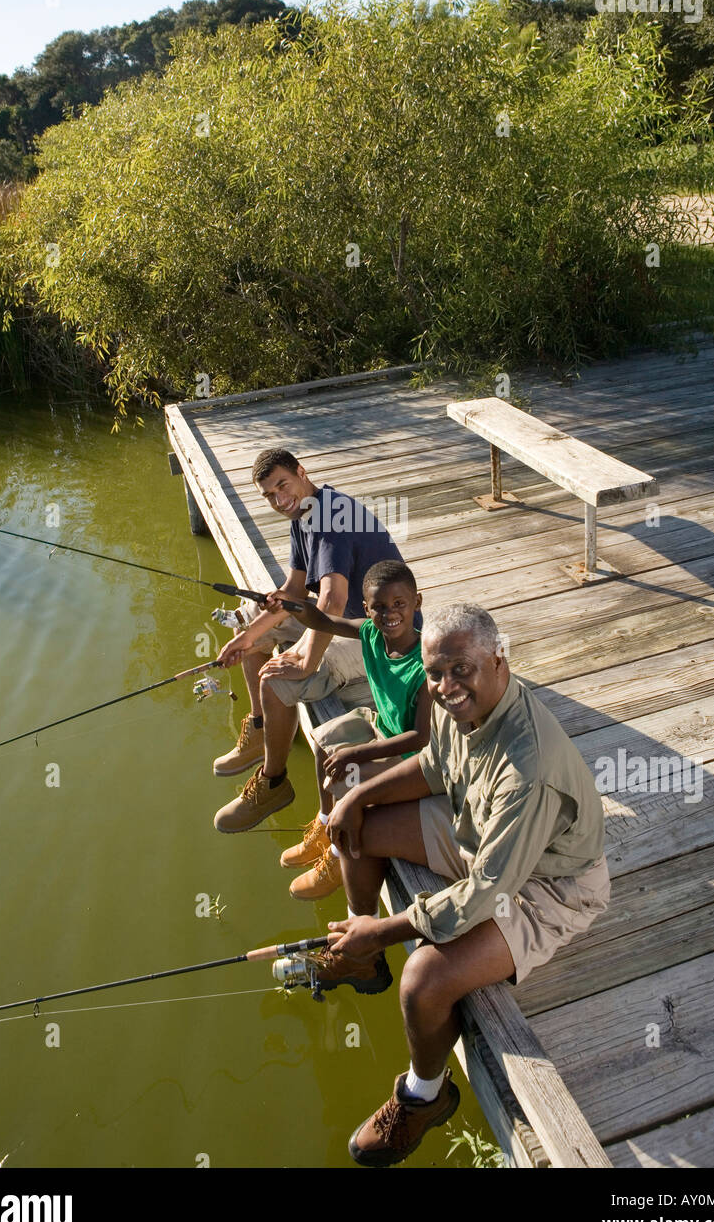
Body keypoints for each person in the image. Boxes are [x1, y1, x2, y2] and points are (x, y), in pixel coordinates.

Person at [310, 602, 610, 1168]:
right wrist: (354, 797)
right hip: (483, 833)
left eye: (460, 670)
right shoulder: (458, 705)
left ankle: (426, 1095)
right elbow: (433, 765)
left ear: (499, 661)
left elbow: (487, 891)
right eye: (435, 673)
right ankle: (359, 952)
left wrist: (387, 929)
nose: (446, 687)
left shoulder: (530, 770)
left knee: (423, 980)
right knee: (358, 828)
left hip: (546, 885)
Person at [211, 448, 409, 833]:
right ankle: (261, 727)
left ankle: (273, 783)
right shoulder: (304, 516)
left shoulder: (330, 518)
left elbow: (331, 599)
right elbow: (295, 591)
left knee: (280, 678)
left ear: (302, 473)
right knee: (251, 625)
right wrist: (246, 638)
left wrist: (306, 660)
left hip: (380, 634)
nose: (278, 499)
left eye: (282, 485)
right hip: (339, 618)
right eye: (268, 494)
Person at [263, 558, 432, 900]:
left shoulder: (427, 664)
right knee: (323, 742)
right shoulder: (370, 632)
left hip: (414, 755)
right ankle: (325, 825)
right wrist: (292, 607)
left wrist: (357, 752)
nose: (389, 614)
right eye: (379, 607)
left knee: (344, 776)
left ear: (417, 602)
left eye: (400, 604)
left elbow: (421, 737)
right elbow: (323, 619)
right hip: (381, 725)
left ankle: (339, 859)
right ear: (367, 608)